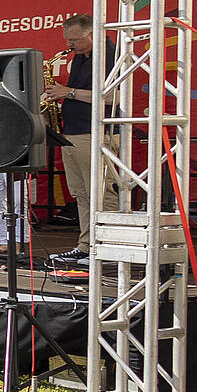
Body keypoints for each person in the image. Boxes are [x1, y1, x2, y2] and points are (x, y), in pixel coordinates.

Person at [40, 14, 116, 262]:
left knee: (101, 193)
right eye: (68, 40)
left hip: (95, 133)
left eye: (74, 40)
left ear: (91, 33)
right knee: (82, 194)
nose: (69, 45)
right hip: (73, 132)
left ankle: (107, 246)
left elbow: (112, 97)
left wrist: (67, 92)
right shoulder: (80, 57)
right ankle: (87, 244)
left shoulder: (109, 55)